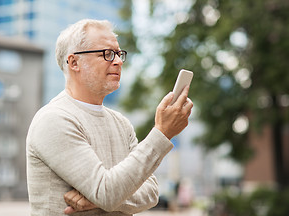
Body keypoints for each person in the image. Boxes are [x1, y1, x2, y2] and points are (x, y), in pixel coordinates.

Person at [26, 19, 193, 216]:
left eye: (119, 53)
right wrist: (162, 132)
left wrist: (101, 199)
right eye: (107, 54)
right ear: (74, 62)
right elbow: (107, 193)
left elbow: (151, 193)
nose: (118, 61)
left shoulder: (121, 123)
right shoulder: (54, 119)